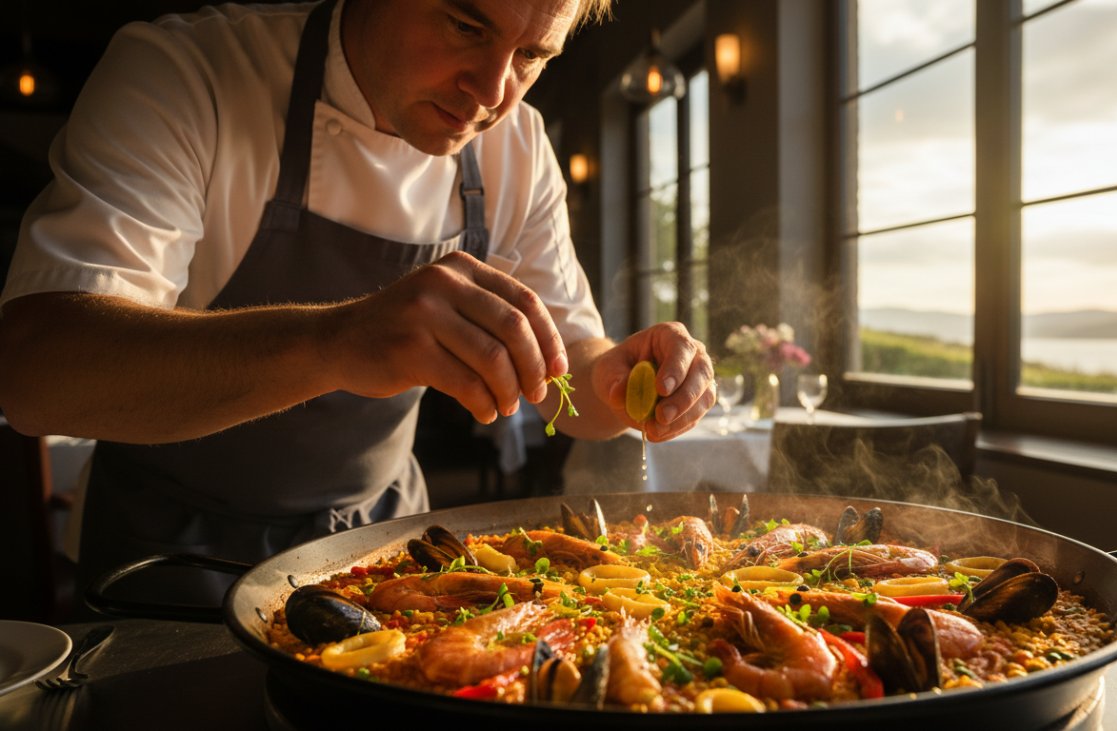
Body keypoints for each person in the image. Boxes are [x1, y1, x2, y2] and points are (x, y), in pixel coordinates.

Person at [0, 0, 715, 603]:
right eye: (467, 26)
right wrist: (336, 341)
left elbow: (570, 380)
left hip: (381, 555)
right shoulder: (187, 75)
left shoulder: (518, 150)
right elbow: (36, 375)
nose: (493, 91)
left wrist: (622, 378)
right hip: (164, 560)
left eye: (531, 56)